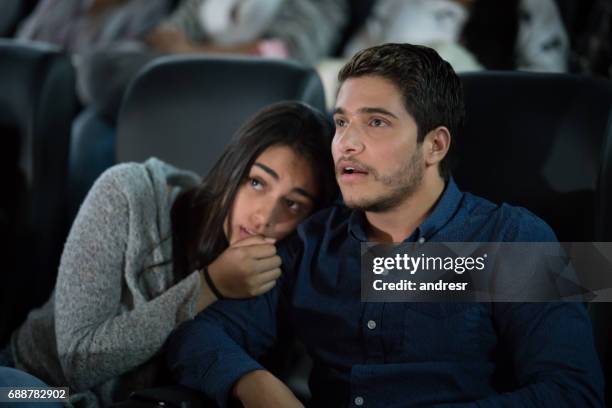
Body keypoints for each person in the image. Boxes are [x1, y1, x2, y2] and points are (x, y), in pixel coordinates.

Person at [166, 43, 604, 407]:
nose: (346, 144)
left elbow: (573, 392)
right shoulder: (312, 241)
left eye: (375, 122)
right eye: (341, 122)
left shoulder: (514, 240)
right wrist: (256, 384)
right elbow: (199, 336)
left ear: (434, 144)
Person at [2, 101, 337, 407]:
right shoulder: (128, 193)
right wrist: (208, 286)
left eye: (292, 204)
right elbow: (77, 362)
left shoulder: (273, 270)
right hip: (36, 384)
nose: (265, 217)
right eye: (257, 183)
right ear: (234, 167)